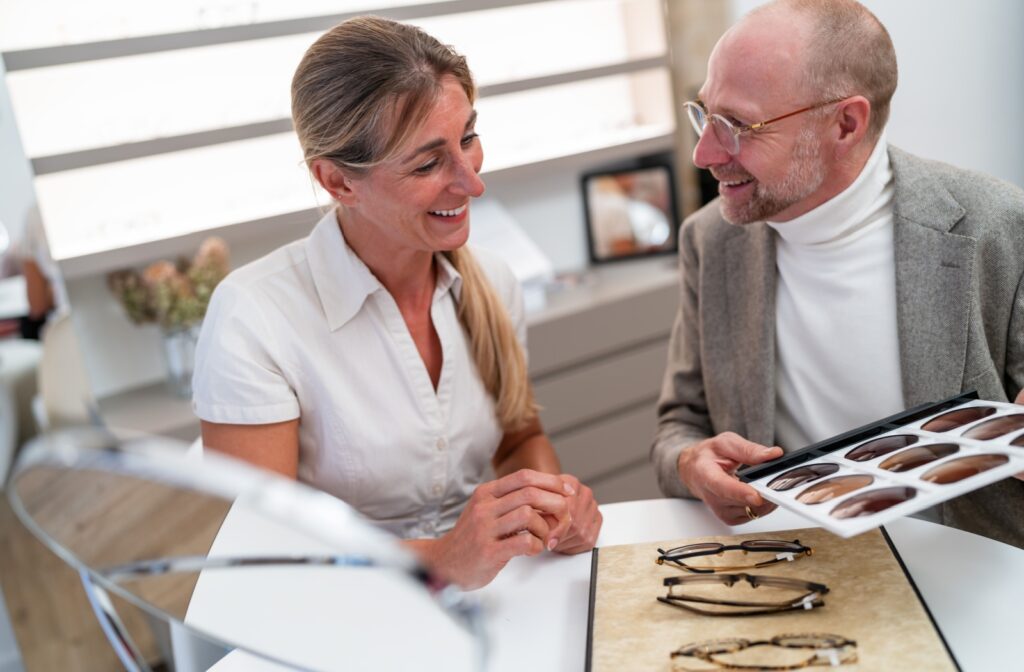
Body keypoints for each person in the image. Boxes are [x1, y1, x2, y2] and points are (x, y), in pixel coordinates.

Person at [192, 16, 601, 589]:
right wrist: (439, 558)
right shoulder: (256, 317)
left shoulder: (493, 283)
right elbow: (260, 557)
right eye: (428, 163)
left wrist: (550, 507)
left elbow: (518, 438)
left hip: (475, 600)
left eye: (468, 138)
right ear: (337, 182)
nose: (472, 182)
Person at [651, 0, 1024, 548]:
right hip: (792, 573)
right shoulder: (710, 240)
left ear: (846, 124)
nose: (705, 152)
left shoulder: (999, 226)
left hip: (972, 573)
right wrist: (689, 463)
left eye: (736, 125)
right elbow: (679, 426)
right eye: (705, 114)